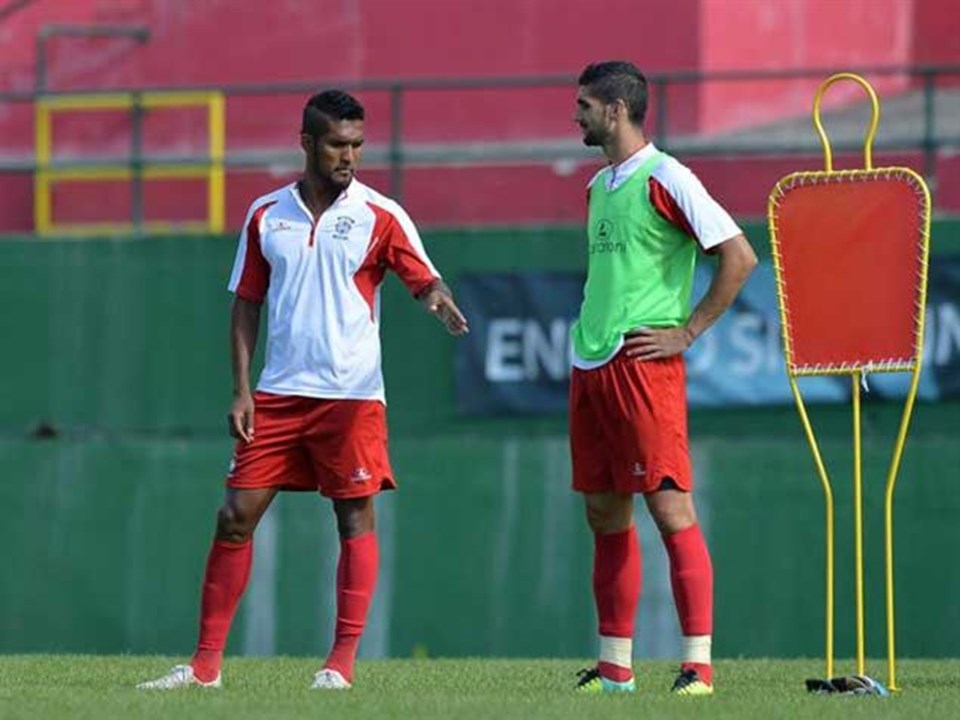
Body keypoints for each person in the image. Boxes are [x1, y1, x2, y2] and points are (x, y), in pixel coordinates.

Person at [138, 89, 468, 691]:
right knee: (235, 516)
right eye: (338, 144)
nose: (350, 156)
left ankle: (339, 665)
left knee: (353, 518)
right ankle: (205, 666)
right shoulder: (267, 214)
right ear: (308, 143)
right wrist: (241, 390)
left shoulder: (381, 214)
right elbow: (246, 303)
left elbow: (423, 277)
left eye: (357, 145)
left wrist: (438, 301)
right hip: (278, 394)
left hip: (352, 396)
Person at [569, 61, 757, 696]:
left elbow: (739, 256)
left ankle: (697, 668)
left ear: (616, 110)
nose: (578, 116)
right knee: (604, 511)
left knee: (670, 507)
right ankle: (616, 669)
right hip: (591, 362)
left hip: (645, 366)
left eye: (586, 106)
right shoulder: (598, 185)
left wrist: (689, 331)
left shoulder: (668, 176)